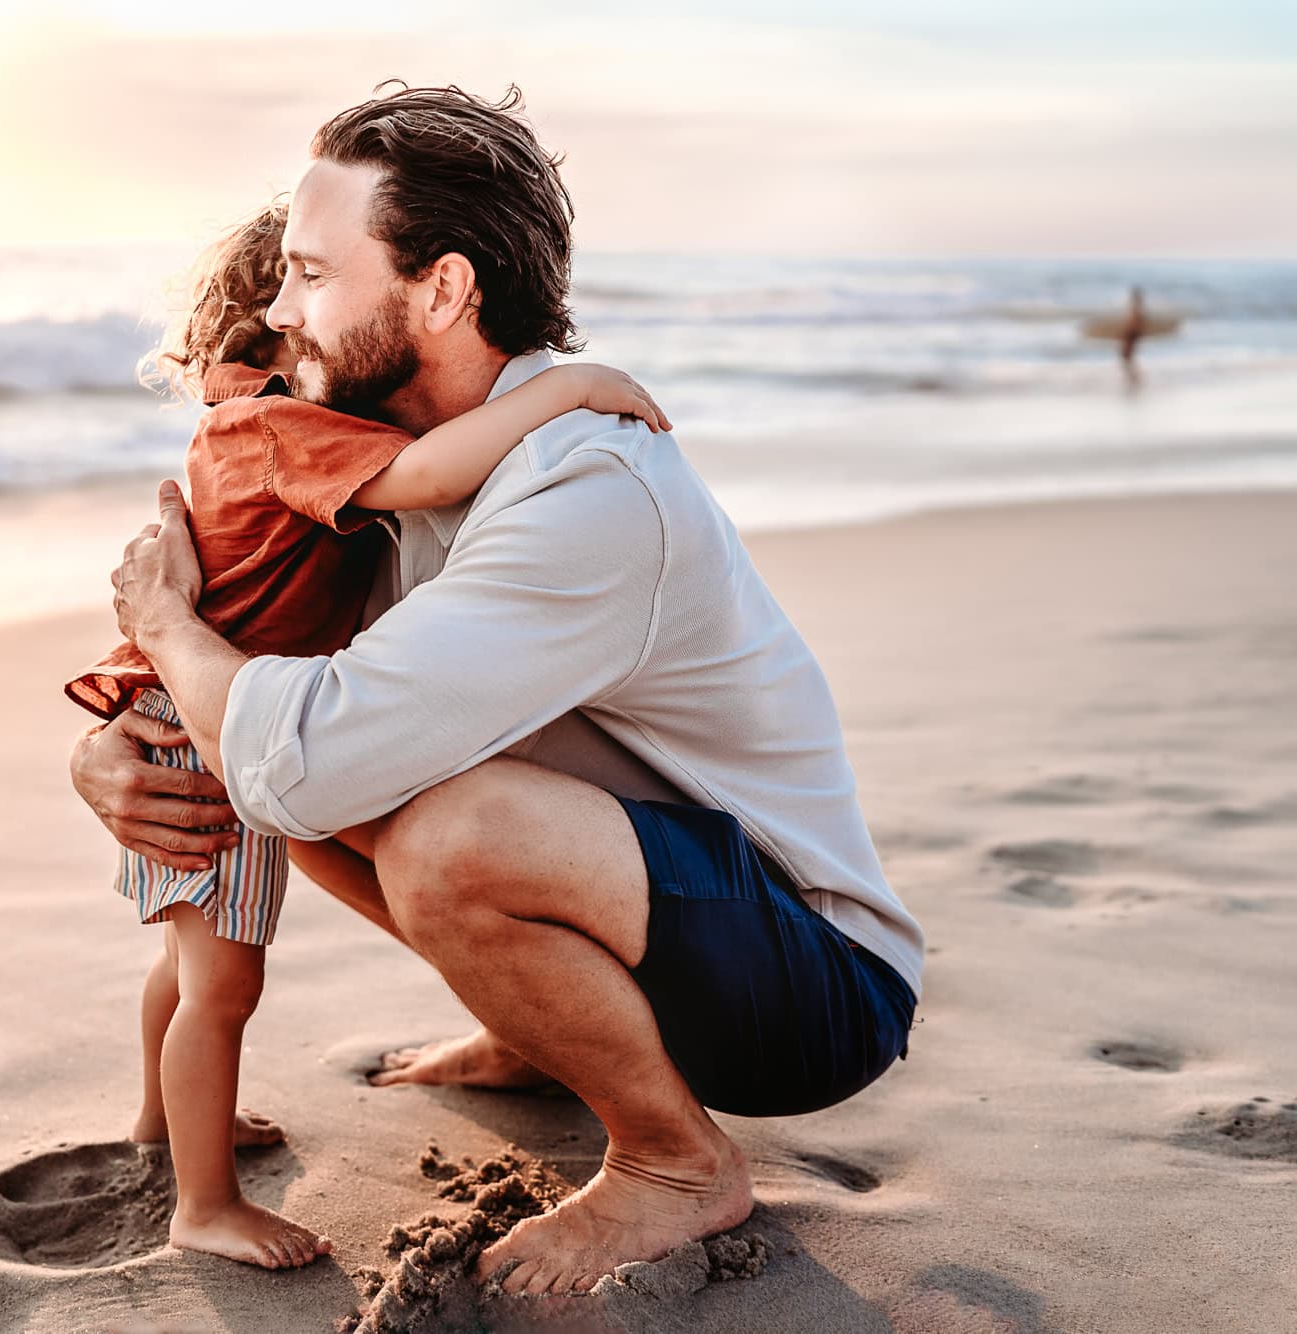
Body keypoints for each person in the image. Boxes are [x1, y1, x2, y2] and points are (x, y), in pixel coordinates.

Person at [77, 81, 926, 1298]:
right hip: (654, 907)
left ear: (441, 289)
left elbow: (288, 750)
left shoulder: (584, 490)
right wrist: (112, 747)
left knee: (431, 830)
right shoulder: (363, 473)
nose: (273, 308)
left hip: (812, 979)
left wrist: (160, 627)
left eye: (311, 275)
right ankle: (544, 1029)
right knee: (305, 771)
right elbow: (251, 663)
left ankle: (676, 1159)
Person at [64, 200, 674, 1273]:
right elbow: (424, 475)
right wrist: (567, 388)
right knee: (223, 985)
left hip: (178, 712)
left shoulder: (233, 427)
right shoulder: (278, 427)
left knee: (183, 960)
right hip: (211, 727)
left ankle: (165, 1123)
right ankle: (200, 1201)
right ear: (285, 330)